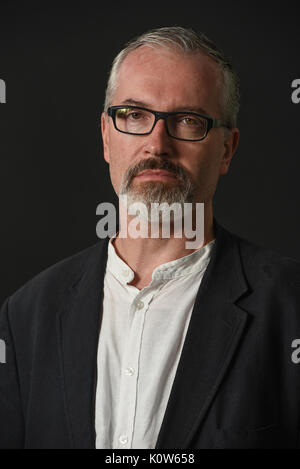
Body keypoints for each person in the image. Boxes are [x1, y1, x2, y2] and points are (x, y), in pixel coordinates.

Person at [0, 26, 300, 450]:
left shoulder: (290, 306)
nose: (156, 145)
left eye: (188, 120)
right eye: (135, 115)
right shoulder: (26, 315)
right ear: (107, 137)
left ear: (227, 150)